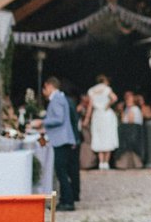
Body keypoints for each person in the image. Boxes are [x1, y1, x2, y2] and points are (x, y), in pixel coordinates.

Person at [29, 76, 78, 211]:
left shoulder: (56, 99)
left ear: (50, 86)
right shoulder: (60, 98)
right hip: (62, 140)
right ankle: (65, 199)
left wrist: (42, 121)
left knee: (61, 172)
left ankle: (68, 201)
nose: (44, 92)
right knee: (62, 172)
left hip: (61, 141)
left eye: (45, 88)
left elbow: (58, 118)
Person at [86, 75, 119, 169]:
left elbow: (90, 106)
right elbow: (114, 98)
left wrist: (87, 118)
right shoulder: (107, 89)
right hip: (106, 114)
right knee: (108, 136)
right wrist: (107, 105)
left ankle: (101, 162)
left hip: (97, 115)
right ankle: (106, 162)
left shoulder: (91, 91)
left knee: (99, 137)